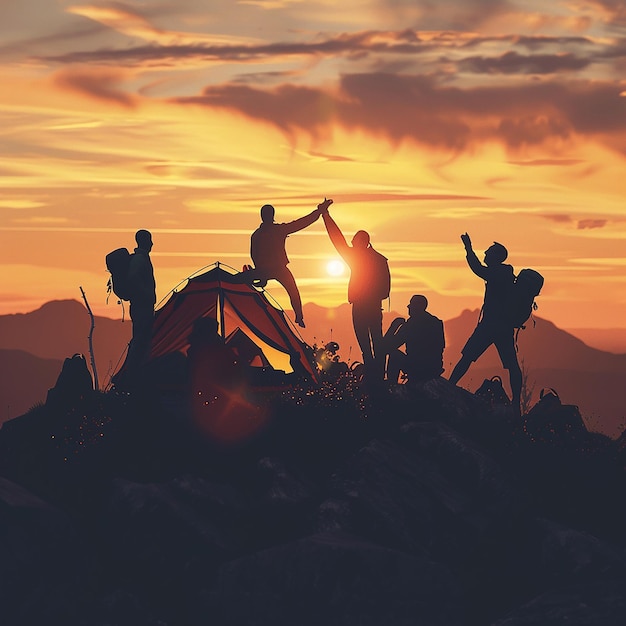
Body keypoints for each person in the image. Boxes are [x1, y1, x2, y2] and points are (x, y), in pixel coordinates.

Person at [448, 233, 522, 411]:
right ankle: (516, 403)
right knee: (511, 364)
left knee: (467, 356)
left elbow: (477, 268)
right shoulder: (505, 273)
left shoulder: (497, 272)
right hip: (503, 327)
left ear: (496, 256)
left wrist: (468, 248)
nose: (485, 253)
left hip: (491, 325)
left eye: (489, 252)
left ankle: (449, 388)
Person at [319, 200, 390, 374]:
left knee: (366, 345)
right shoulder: (380, 259)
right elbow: (386, 289)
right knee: (377, 341)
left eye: (354, 241)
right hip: (374, 306)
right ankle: (378, 374)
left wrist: (325, 215)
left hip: (362, 306)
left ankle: (374, 377)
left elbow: (337, 240)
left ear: (360, 242)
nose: (350, 243)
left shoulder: (356, 257)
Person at [249, 201, 331, 327]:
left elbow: (254, 255)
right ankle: (299, 316)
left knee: (293, 292)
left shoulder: (258, 234)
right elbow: (300, 223)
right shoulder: (273, 231)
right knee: (294, 292)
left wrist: (260, 273)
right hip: (276, 269)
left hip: (269, 270)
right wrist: (319, 211)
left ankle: (298, 316)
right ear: (271, 216)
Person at [384, 294, 445, 384]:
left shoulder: (412, 324)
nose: (408, 306)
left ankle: (392, 385)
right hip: (434, 369)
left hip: (417, 368)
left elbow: (389, 346)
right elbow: (441, 347)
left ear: (418, 307)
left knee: (394, 355)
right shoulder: (436, 323)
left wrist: (393, 327)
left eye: (411, 304)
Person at [125, 229, 156, 384]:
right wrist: (146, 295)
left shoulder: (141, 259)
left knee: (142, 339)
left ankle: (137, 373)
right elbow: (133, 278)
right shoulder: (139, 260)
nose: (152, 243)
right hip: (141, 306)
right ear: (143, 241)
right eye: (149, 240)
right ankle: (133, 375)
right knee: (140, 340)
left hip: (142, 306)